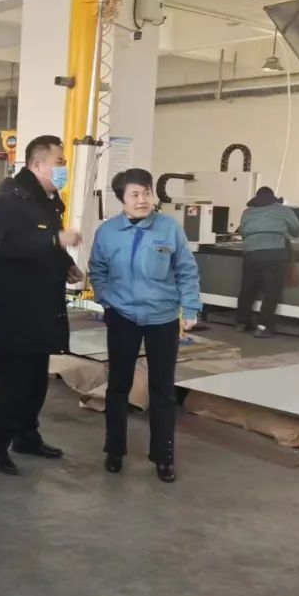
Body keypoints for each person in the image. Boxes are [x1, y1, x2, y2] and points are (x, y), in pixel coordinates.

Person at [0, 134, 83, 476]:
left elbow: (47, 245)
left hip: (39, 307)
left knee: (35, 379)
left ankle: (26, 436)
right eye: (59, 162)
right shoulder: (10, 199)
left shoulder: (47, 200)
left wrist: (66, 265)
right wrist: (55, 239)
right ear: (36, 164)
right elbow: (9, 244)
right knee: (11, 381)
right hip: (12, 310)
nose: (63, 168)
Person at [88, 168, 202, 484]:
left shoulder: (169, 228)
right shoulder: (108, 232)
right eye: (135, 194)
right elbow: (97, 268)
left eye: (147, 193)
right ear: (122, 199)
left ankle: (164, 457)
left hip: (162, 318)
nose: (142, 200)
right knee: (118, 385)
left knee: (162, 390)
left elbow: (186, 271)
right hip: (122, 316)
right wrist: (105, 299)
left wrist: (191, 307)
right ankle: (114, 450)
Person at [236, 186, 299, 338]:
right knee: (271, 292)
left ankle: (241, 323)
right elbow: (297, 231)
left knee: (248, 289)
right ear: (273, 197)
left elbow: (243, 232)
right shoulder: (284, 210)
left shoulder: (247, 212)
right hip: (275, 254)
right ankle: (263, 327)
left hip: (251, 253)